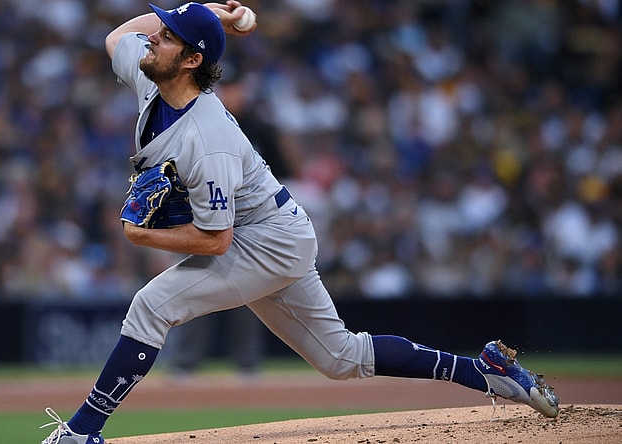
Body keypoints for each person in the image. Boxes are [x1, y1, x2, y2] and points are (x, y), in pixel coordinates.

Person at [40, 3, 559, 443]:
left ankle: (83, 430)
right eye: (160, 28)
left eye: (168, 35)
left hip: (265, 240)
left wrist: (140, 234)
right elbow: (116, 36)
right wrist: (212, 11)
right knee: (340, 357)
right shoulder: (153, 78)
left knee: (152, 305)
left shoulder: (209, 138)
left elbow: (216, 242)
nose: (152, 37)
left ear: (193, 60)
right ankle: (484, 372)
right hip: (271, 229)